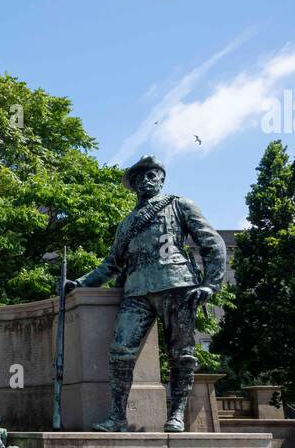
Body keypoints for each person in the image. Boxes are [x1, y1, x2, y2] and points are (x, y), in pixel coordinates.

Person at [65, 156, 225, 432]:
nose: (146, 180)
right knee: (120, 350)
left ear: (162, 179)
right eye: (140, 177)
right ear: (134, 185)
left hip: (178, 286)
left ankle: (175, 415)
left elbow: (213, 243)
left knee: (182, 354)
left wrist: (211, 284)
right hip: (136, 291)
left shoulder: (179, 205)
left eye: (152, 175)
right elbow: (111, 264)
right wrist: (80, 282)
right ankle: (117, 417)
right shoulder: (127, 224)